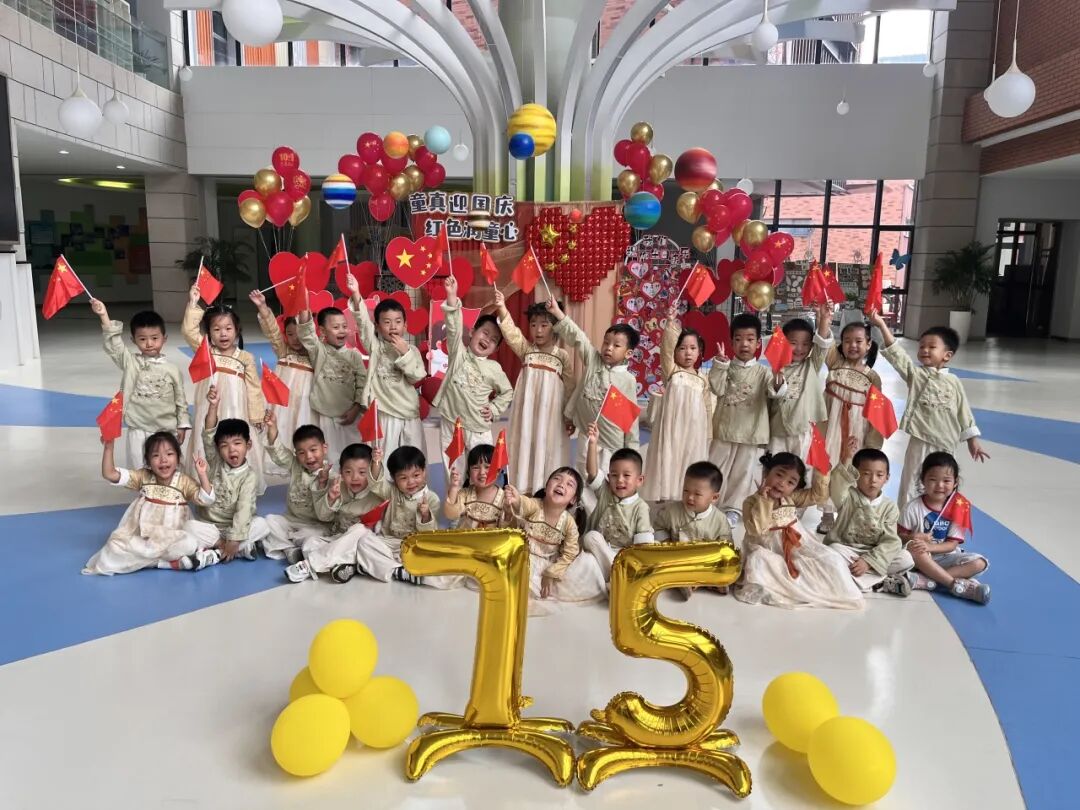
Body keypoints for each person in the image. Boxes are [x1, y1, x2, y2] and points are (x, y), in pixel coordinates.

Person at [289, 445, 460, 589]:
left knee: (443, 565)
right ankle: (386, 569)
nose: (410, 482)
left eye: (416, 475)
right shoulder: (391, 491)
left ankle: (315, 565)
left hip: (414, 545)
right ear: (393, 479)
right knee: (362, 541)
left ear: (425, 472)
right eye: (403, 478)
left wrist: (425, 514)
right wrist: (376, 462)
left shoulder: (431, 499)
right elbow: (377, 483)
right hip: (386, 542)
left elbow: (428, 533)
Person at [868, 310, 989, 508]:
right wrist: (881, 325)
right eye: (922, 346)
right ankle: (906, 521)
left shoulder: (954, 382)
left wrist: (972, 440)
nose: (925, 350)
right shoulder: (916, 375)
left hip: (946, 445)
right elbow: (897, 355)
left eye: (932, 346)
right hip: (920, 440)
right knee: (912, 483)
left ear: (947, 355)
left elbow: (963, 411)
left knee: (942, 484)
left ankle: (939, 519)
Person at [735, 452, 862, 610]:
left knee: (832, 558)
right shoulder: (751, 502)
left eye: (791, 482)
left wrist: (822, 470)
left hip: (796, 547)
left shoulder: (790, 498)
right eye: (779, 475)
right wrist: (764, 500)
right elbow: (757, 529)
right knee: (758, 560)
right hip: (768, 550)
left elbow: (818, 496)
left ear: (795, 487)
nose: (782, 483)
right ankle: (786, 586)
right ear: (766, 472)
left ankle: (829, 590)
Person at [83, 433, 219, 575]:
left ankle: (158, 561)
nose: (163, 460)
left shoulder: (184, 481)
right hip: (146, 539)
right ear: (148, 461)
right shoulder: (143, 477)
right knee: (114, 546)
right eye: (155, 455)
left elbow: (207, 499)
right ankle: (168, 563)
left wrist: (202, 474)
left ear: (178, 458)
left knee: (189, 544)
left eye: (169, 454)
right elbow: (110, 474)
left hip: (173, 537)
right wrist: (108, 448)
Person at [182, 285, 267, 493]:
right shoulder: (206, 351)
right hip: (210, 408)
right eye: (216, 329)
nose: (223, 334)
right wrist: (193, 302)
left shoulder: (245, 357)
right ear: (209, 333)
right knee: (210, 440)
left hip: (237, 409)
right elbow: (189, 331)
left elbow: (254, 388)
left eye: (228, 328)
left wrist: (257, 414)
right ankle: (209, 482)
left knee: (234, 441)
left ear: (237, 330)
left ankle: (239, 484)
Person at [92, 300, 190, 470]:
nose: (149, 343)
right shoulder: (131, 363)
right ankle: (143, 489)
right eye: (142, 339)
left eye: (155, 338)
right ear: (133, 340)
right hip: (138, 428)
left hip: (166, 429)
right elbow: (115, 346)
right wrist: (103, 315)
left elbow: (180, 400)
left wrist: (182, 425)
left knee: (166, 469)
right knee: (139, 470)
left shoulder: (172, 370)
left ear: (164, 338)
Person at [493, 289, 574, 493]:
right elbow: (512, 334)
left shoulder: (562, 356)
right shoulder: (527, 350)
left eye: (544, 325)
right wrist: (502, 307)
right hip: (527, 413)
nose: (538, 330)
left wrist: (569, 417)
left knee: (548, 447)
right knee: (525, 443)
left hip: (551, 415)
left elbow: (570, 388)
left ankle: (546, 489)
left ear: (555, 327)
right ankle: (522, 488)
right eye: (533, 324)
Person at [547, 298, 641, 472]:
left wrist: (631, 452)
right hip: (587, 433)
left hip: (610, 442)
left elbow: (630, 419)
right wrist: (558, 313)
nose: (609, 348)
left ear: (628, 353)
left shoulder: (628, 380)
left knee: (605, 476)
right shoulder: (594, 361)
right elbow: (579, 338)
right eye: (606, 342)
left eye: (616, 345)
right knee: (583, 472)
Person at [433, 274, 513, 475]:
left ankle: (480, 496)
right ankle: (456, 496)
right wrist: (452, 296)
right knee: (454, 471)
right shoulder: (458, 353)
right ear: (472, 332)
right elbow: (453, 328)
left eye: (493, 339)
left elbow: (507, 392)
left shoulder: (494, 368)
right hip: (452, 423)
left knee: (482, 471)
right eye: (485, 333)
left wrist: (494, 409)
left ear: (495, 349)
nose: (487, 339)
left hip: (479, 428)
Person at [709, 312, 786, 522]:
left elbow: (775, 392)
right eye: (739, 339)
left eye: (750, 339)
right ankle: (707, 501)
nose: (744, 344)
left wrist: (779, 378)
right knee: (716, 466)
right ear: (731, 342)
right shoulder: (725, 366)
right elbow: (716, 388)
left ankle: (733, 508)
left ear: (758, 343)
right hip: (724, 428)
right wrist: (720, 365)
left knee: (743, 472)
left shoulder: (764, 372)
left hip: (751, 430)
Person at [344, 271, 427, 453]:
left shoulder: (411, 350)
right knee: (384, 459)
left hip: (408, 414)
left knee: (412, 460)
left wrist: (405, 353)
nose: (393, 326)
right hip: (383, 413)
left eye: (398, 321)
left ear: (405, 326)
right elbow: (363, 323)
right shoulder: (375, 346)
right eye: (387, 322)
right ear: (377, 326)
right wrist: (356, 292)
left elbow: (416, 377)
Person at [191, 386, 270, 569]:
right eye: (224, 445)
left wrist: (234, 539)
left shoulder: (249, 476)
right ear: (218, 449)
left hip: (235, 527)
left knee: (263, 525)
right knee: (189, 527)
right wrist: (213, 406)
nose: (231, 449)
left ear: (248, 445)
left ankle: (219, 553)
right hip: (211, 526)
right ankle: (235, 549)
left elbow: (243, 509)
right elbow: (209, 433)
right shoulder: (215, 461)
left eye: (237, 443)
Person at [641, 305, 715, 503]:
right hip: (672, 427)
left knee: (689, 458)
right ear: (675, 352)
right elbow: (666, 348)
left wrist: (708, 433)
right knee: (669, 457)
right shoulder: (672, 371)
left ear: (700, 351)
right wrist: (671, 323)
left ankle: (685, 494)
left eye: (693, 348)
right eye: (682, 348)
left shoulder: (702, 379)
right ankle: (665, 495)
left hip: (694, 430)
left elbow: (707, 407)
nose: (688, 353)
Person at [503, 468, 606, 608]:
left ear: (573, 499)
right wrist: (515, 499)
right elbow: (523, 503)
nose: (561, 484)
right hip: (524, 559)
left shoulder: (569, 523)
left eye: (569, 484)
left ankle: (545, 589)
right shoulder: (535, 505)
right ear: (546, 488)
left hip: (549, 565)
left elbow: (570, 554)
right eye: (557, 478)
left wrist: (551, 573)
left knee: (588, 562)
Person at [817, 321, 884, 534]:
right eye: (847, 341)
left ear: (868, 344)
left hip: (858, 429)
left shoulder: (872, 377)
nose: (852, 345)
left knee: (852, 469)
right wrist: (824, 320)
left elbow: (876, 411)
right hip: (832, 427)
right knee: (828, 466)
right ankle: (827, 514)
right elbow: (825, 342)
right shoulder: (835, 364)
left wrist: (872, 442)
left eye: (858, 341)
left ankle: (848, 513)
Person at [286, 443, 387, 584]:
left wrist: (376, 463)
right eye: (348, 472)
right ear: (341, 472)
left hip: (362, 544)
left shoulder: (378, 493)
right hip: (338, 538)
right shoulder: (338, 486)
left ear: (370, 473)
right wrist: (331, 498)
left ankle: (310, 565)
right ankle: (349, 565)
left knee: (360, 529)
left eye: (362, 472)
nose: (355, 477)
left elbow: (379, 481)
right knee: (310, 542)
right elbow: (324, 517)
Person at [824, 439, 914, 595]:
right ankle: (880, 582)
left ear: (887, 478)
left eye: (879, 475)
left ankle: (852, 580)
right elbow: (837, 485)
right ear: (856, 474)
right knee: (832, 552)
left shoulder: (890, 507)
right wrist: (846, 459)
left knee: (906, 558)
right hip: (847, 550)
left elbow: (890, 541)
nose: (873, 480)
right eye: (866, 474)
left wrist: (868, 562)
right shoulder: (847, 496)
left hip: (873, 552)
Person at [899, 452, 990, 604]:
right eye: (933, 480)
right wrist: (912, 537)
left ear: (955, 482)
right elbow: (899, 536)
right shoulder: (912, 507)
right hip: (920, 558)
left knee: (980, 563)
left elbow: (952, 545)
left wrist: (930, 546)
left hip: (945, 556)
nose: (940, 485)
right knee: (915, 549)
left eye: (946, 480)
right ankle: (954, 584)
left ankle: (926, 581)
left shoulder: (958, 508)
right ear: (923, 480)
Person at [296, 288, 368, 465]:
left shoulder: (354, 355)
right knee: (330, 458)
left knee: (355, 456)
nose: (342, 330)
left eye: (344, 326)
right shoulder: (319, 350)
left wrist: (356, 408)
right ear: (322, 331)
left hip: (351, 415)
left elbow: (363, 383)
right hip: (326, 415)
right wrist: (304, 302)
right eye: (335, 327)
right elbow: (306, 333)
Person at [579, 422, 654, 582]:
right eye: (614, 475)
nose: (619, 480)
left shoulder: (640, 507)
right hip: (598, 551)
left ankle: (617, 576)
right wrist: (592, 443)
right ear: (608, 477)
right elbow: (592, 472)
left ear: (639, 480)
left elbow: (643, 547)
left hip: (625, 557)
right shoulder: (606, 492)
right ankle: (614, 577)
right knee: (590, 538)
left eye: (626, 475)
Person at [250, 290, 313, 474]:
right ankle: (279, 459)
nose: (295, 339)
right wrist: (263, 307)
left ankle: (302, 459)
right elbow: (272, 332)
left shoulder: (314, 355)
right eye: (290, 334)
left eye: (300, 334)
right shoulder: (283, 351)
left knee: (300, 429)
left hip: (304, 405)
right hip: (282, 404)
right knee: (282, 428)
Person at [653, 461, 732, 600]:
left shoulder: (720, 520)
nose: (689, 497)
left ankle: (705, 581)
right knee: (656, 558)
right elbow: (658, 526)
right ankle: (684, 582)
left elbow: (726, 547)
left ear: (714, 497)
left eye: (697, 494)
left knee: (729, 567)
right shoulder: (672, 511)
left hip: (705, 561)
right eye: (686, 491)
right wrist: (666, 542)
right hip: (677, 557)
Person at [261, 414, 332, 562]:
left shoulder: (333, 477)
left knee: (312, 537)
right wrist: (272, 427)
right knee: (269, 521)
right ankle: (290, 549)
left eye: (313, 450)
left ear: (324, 448)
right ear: (296, 454)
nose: (309, 456)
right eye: (301, 453)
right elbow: (278, 452)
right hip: (291, 520)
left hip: (316, 526)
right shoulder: (295, 465)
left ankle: (289, 544)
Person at [767, 303, 834, 458]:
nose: (799, 348)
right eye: (793, 343)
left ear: (811, 346)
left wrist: (824, 319)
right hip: (778, 430)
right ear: (783, 342)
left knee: (799, 466)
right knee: (774, 465)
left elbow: (822, 344)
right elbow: (771, 395)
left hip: (802, 430)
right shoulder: (776, 367)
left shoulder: (812, 365)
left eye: (805, 344)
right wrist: (777, 381)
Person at [444, 444, 507, 529]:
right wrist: (454, 487)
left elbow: (509, 526)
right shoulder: (465, 495)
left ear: (498, 471)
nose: (482, 472)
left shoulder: (505, 499)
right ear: (469, 472)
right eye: (476, 468)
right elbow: (451, 515)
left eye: (487, 467)